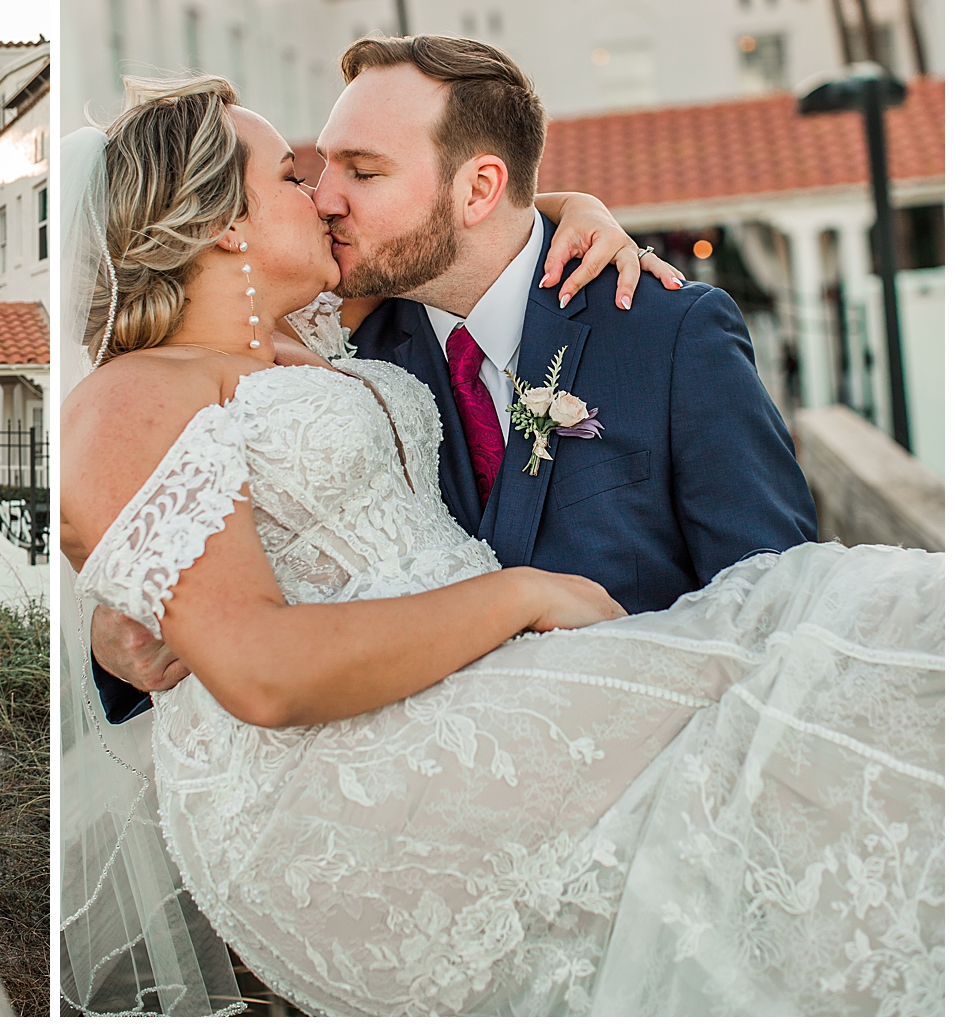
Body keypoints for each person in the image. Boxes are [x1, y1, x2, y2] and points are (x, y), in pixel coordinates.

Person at [59, 69, 941, 1015]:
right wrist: (522, 594)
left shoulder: (317, 333)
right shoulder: (158, 386)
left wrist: (558, 205)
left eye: (347, 168)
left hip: (505, 712)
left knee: (862, 654)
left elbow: (461, 229)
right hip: (344, 776)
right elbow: (245, 651)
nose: (321, 196)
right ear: (223, 221)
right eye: (295, 176)